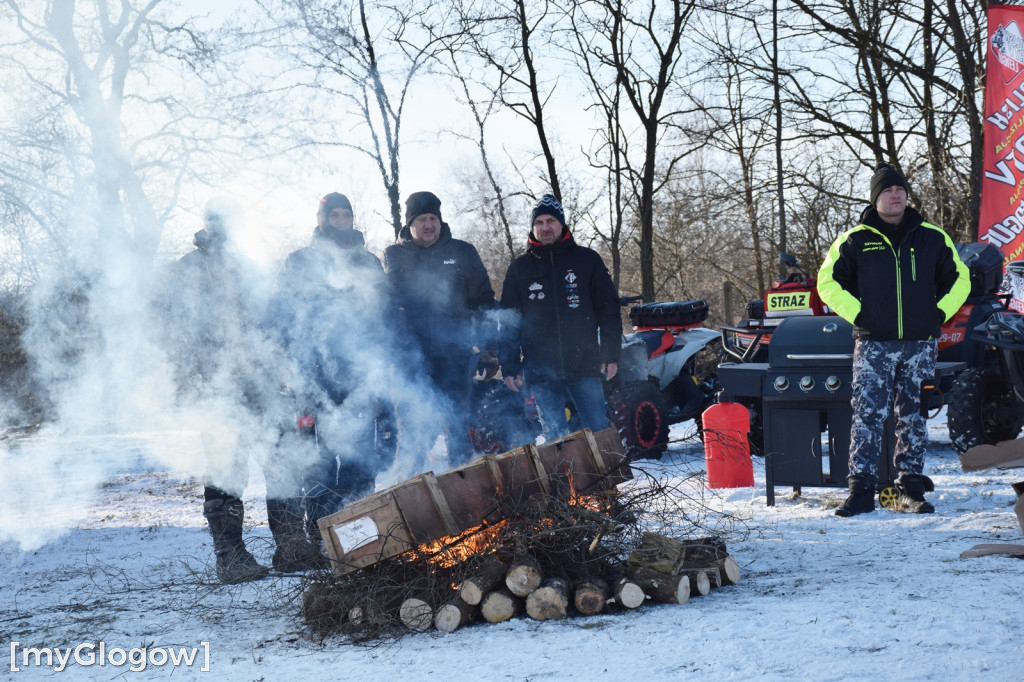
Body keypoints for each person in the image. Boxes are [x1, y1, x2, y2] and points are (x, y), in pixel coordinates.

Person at [158, 197, 299, 584]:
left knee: (283, 457)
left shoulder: (248, 265)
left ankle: (291, 546)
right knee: (226, 469)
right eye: (217, 220)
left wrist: (279, 367)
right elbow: (172, 328)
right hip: (216, 385)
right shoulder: (188, 269)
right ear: (207, 223)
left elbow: (269, 321)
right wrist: (195, 375)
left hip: (261, 381)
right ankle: (230, 556)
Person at [817, 163, 970, 517]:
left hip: (920, 344)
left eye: (900, 189)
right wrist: (859, 315)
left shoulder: (932, 237)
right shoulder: (855, 240)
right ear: (876, 198)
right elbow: (827, 282)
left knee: (914, 416)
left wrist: (939, 313)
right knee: (867, 415)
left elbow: (960, 279)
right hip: (874, 345)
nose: (896, 195)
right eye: (887, 190)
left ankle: (910, 490)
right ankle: (860, 491)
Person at [271, 192, 395, 551]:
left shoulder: (368, 262)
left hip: (360, 377)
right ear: (320, 218)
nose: (341, 221)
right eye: (334, 215)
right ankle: (324, 541)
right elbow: (282, 317)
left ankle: (361, 542)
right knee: (319, 465)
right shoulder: (299, 262)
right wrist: (291, 368)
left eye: (346, 215)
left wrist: (382, 363)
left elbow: (383, 317)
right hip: (314, 380)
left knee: (359, 462)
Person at [383, 191, 496, 467]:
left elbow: (483, 302)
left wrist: (489, 349)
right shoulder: (394, 255)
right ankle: (410, 490)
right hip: (411, 362)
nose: (428, 225)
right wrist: (395, 352)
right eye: (421, 219)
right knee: (412, 435)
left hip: (455, 358)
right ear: (410, 223)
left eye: (433, 218)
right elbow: (387, 308)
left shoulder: (462, 252)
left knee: (458, 428)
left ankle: (465, 488)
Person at [498, 194, 621, 441]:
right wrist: (509, 365)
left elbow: (608, 310)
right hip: (541, 370)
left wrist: (611, 354)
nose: (545, 227)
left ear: (562, 224)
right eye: (539, 222)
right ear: (532, 227)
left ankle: (604, 469)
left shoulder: (587, 260)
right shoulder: (520, 269)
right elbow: (509, 323)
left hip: (584, 365)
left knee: (598, 431)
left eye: (551, 221)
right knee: (555, 439)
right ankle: (564, 469)